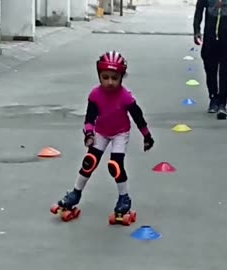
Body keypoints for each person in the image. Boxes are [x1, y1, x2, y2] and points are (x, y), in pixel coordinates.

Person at [55, 50, 155, 216]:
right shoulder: (95, 95)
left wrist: (147, 136)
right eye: (105, 77)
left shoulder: (125, 97)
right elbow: (89, 118)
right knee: (89, 161)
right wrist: (89, 134)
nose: (109, 82)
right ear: (99, 76)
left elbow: (138, 117)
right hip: (101, 131)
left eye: (114, 78)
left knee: (115, 165)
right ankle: (75, 193)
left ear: (122, 78)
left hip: (119, 133)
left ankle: (124, 197)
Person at [193, 0, 227, 119]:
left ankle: (222, 103)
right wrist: (196, 31)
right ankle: (213, 98)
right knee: (210, 70)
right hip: (210, 39)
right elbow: (199, 12)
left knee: (225, 72)